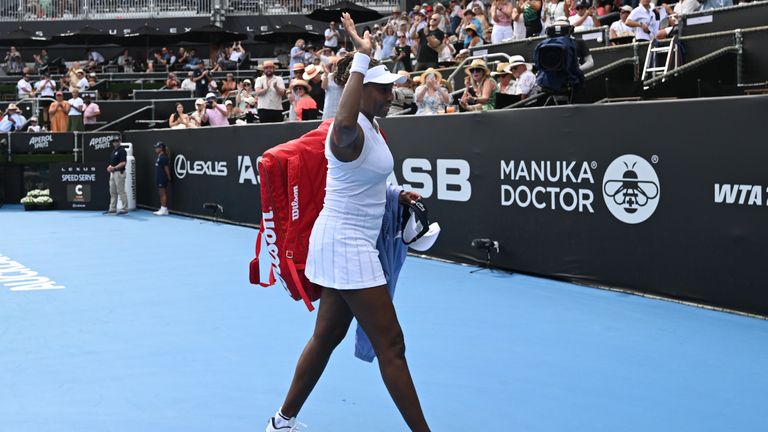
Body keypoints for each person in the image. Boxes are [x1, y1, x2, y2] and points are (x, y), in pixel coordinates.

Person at [264, 12, 430, 432]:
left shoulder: (371, 129)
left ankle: (280, 423)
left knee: (327, 337)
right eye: (385, 88)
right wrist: (361, 57)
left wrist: (396, 194)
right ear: (364, 89)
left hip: (341, 242)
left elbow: (364, 183)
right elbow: (341, 120)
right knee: (391, 344)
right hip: (346, 245)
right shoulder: (346, 134)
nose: (392, 93)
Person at [107, 137, 128, 215]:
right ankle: (112, 208)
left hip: (119, 173)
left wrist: (114, 168)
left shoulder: (122, 150)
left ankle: (125, 208)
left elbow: (123, 163)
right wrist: (109, 167)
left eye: (116, 141)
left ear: (120, 141)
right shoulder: (114, 151)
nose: (115, 143)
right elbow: (113, 162)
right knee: (112, 191)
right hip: (113, 173)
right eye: (114, 141)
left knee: (121, 191)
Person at [153, 142, 171, 216]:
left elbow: (166, 168)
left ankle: (164, 209)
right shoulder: (159, 156)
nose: (155, 149)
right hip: (159, 177)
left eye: (157, 147)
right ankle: (163, 208)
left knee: (163, 193)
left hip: (163, 178)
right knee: (160, 193)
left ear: (161, 148)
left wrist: (169, 177)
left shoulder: (164, 157)